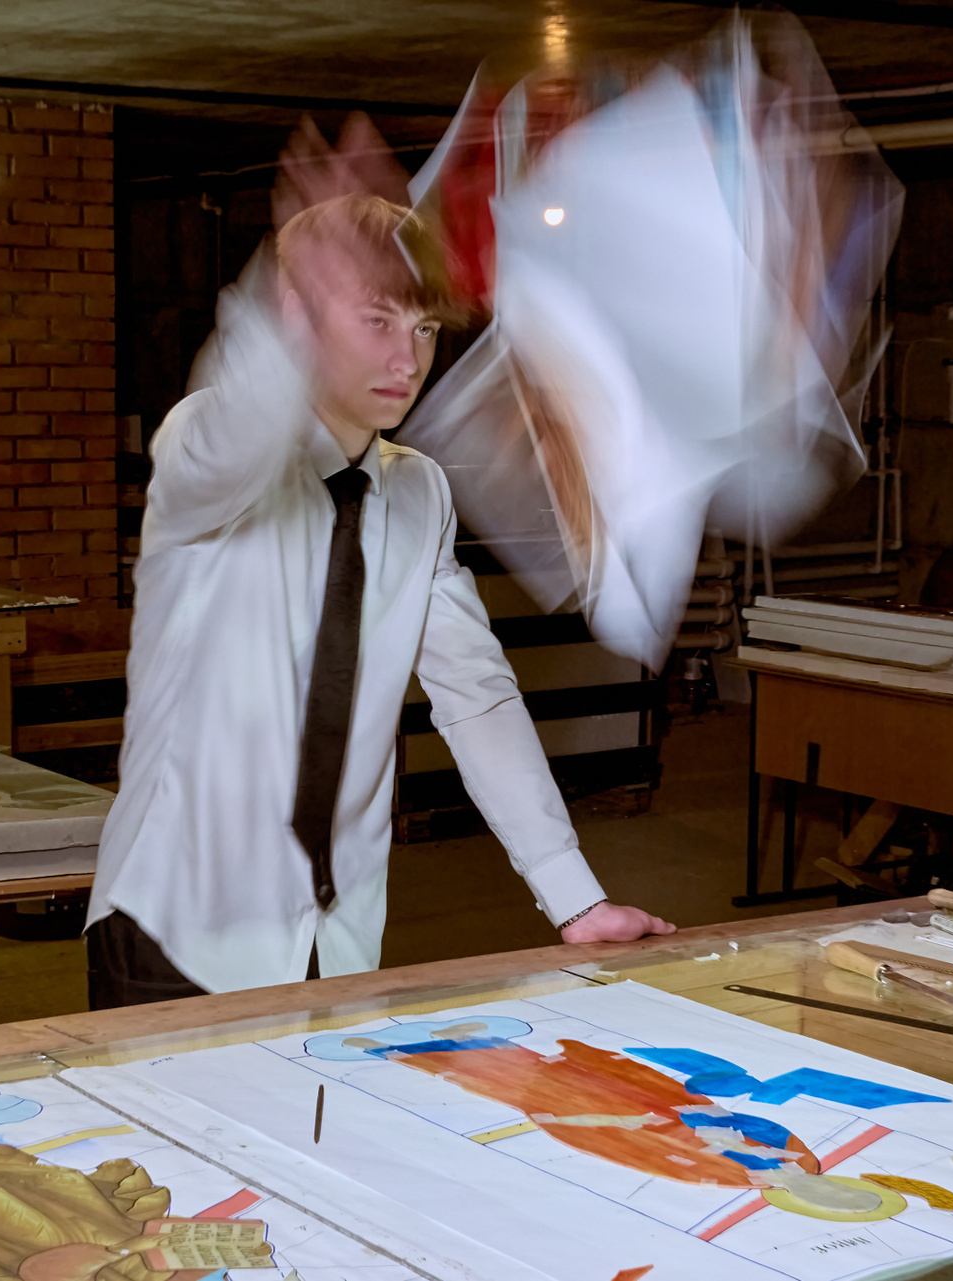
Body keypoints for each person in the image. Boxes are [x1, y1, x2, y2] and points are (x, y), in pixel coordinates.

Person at [84, 189, 674, 1010]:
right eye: (376, 321)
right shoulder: (207, 437)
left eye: (424, 328)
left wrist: (573, 896)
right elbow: (232, 442)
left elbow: (476, 695)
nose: (407, 359)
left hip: (335, 938)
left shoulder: (419, 493)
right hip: (173, 929)